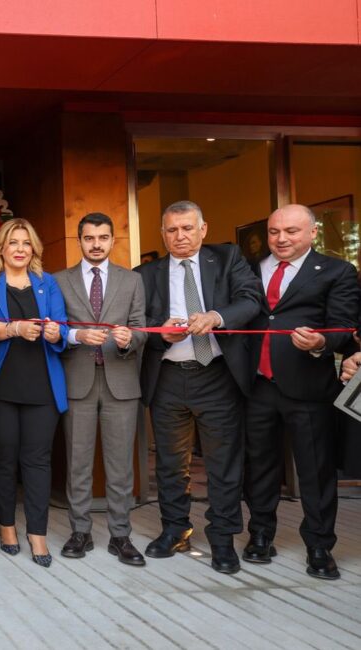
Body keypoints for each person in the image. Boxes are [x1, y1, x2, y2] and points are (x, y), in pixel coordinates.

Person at [135, 200, 261, 575]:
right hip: (169, 377)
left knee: (224, 463)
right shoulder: (145, 274)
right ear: (162, 233)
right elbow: (137, 319)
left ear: (203, 229)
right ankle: (175, 529)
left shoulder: (227, 258)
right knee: (172, 465)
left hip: (217, 375)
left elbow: (251, 299)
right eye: (172, 230)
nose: (180, 236)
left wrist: (216, 317)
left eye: (187, 228)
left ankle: (222, 538)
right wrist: (161, 332)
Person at [242, 204, 359, 580]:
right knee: (259, 468)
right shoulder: (249, 269)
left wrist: (321, 342)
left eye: (291, 231)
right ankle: (260, 535)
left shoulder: (337, 270)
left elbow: (345, 328)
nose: (281, 239)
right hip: (256, 385)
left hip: (308, 387)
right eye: (275, 231)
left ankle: (320, 546)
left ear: (312, 233)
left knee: (315, 471)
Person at [54, 213, 148, 565]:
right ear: (79, 240)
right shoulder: (59, 281)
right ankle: (80, 532)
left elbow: (142, 328)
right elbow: (55, 328)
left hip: (121, 381)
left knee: (121, 465)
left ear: (112, 241)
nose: (96, 244)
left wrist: (129, 339)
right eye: (89, 238)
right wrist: (76, 335)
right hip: (77, 380)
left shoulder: (132, 280)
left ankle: (120, 535)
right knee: (77, 462)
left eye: (103, 237)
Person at [0, 217, 68, 568]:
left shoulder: (48, 283)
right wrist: (14, 329)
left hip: (42, 386)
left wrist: (54, 333)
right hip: (0, 384)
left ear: (34, 248)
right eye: (12, 242)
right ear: (1, 247)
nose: (19, 249)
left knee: (38, 461)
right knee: (3, 461)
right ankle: (6, 527)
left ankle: (37, 533)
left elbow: (63, 327)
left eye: (25, 242)